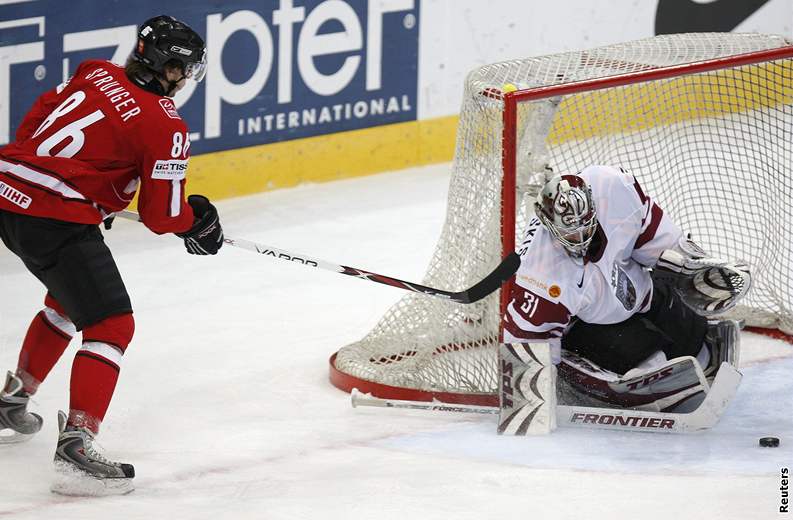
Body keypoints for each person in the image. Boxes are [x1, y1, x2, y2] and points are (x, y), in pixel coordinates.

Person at [0, 15, 222, 495]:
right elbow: (163, 214)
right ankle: (76, 446)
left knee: (67, 301)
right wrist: (197, 221)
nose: (184, 81)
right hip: (54, 219)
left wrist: (81, 186)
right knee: (112, 325)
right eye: (184, 70)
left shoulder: (96, 70)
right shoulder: (165, 124)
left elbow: (36, 119)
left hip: (9, 195)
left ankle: (12, 400)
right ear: (169, 67)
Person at [502, 165, 750, 411]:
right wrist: (535, 395)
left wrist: (690, 267)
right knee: (646, 353)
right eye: (571, 233)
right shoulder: (539, 274)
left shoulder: (612, 188)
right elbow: (526, 341)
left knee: (691, 334)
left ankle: (686, 363)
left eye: (585, 226)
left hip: (639, 292)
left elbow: (653, 236)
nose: (580, 239)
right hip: (584, 326)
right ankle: (647, 380)